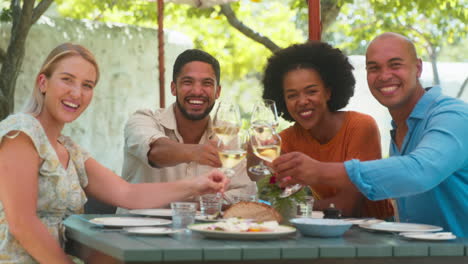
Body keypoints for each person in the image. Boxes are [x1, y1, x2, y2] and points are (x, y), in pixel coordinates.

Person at [0, 43, 229, 263]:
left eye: (87, 85)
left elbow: (128, 194)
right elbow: (22, 223)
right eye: (67, 80)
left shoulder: (69, 150)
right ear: (43, 82)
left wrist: (199, 184)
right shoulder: (21, 134)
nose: (76, 93)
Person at [272, 33, 468, 237]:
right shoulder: (401, 127)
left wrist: (319, 171)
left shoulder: (453, 116)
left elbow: (420, 170)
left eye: (395, 65)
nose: (384, 76)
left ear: (418, 68)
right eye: (374, 68)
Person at [256, 41, 393, 219]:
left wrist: (294, 207)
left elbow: (347, 206)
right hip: (322, 232)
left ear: (328, 92)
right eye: (292, 95)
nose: (302, 101)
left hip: (374, 233)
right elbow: (272, 194)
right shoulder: (284, 140)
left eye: (311, 92)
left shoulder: (360, 126)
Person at [119, 49, 256, 209]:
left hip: (202, 231)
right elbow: (155, 151)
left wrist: (194, 207)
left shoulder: (227, 133)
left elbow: (246, 192)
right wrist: (196, 152)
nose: (197, 91)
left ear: (217, 91)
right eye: (187, 82)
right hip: (135, 230)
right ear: (173, 88)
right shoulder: (143, 119)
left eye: (206, 83)